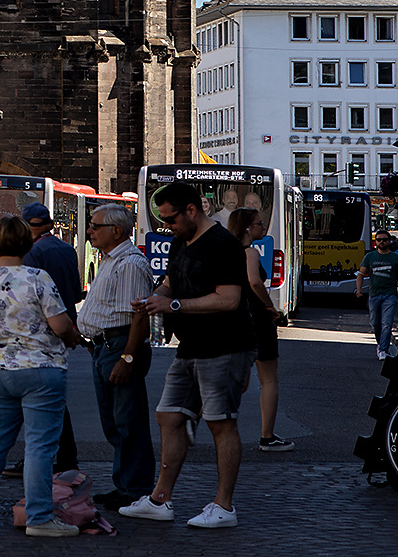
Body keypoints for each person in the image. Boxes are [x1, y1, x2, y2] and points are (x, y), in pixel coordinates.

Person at [121, 181, 257, 529]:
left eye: (170, 220)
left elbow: (228, 299)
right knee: (168, 415)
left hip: (225, 346)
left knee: (221, 423)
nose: (168, 227)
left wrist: (173, 304)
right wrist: (155, 297)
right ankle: (160, 499)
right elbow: (171, 280)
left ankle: (223, 506)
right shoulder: (182, 240)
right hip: (191, 346)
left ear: (191, 211)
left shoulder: (223, 245)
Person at [0, 214, 82, 538]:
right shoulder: (37, 277)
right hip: (38, 369)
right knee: (40, 447)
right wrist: (75, 339)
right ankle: (40, 517)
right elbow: (60, 326)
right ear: (28, 243)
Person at [75, 202, 154, 510]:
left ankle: (135, 488)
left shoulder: (130, 263)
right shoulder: (110, 259)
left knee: (128, 422)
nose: (90, 230)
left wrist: (128, 358)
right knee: (114, 422)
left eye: (95, 226)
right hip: (104, 347)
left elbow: (139, 317)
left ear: (116, 231)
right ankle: (125, 484)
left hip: (119, 347)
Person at [20, 202, 81, 473]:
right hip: (65, 324)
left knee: (36, 401)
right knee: (54, 397)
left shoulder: (33, 253)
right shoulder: (67, 248)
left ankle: (43, 459)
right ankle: (65, 458)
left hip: (41, 331)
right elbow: (77, 292)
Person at [228, 207, 294, 452]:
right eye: (258, 223)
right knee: (268, 379)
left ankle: (193, 415)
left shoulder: (225, 250)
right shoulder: (250, 252)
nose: (263, 227)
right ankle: (267, 436)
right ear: (247, 227)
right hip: (257, 317)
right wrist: (270, 306)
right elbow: (254, 280)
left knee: (237, 380)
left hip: (235, 318)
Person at [357, 228, 398, 359]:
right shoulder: (369, 257)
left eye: (384, 240)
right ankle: (381, 344)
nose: (382, 242)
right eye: (379, 240)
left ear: (389, 241)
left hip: (390, 295)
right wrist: (359, 289)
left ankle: (383, 349)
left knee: (387, 323)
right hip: (374, 295)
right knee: (375, 324)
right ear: (375, 242)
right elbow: (361, 274)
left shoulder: (396, 258)